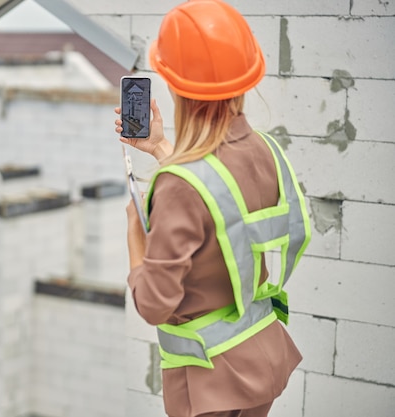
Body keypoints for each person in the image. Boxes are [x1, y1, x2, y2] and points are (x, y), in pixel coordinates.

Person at [114, 1, 311, 416]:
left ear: (173, 84)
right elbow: (217, 198)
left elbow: (153, 304)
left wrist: (136, 230)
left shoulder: (177, 187)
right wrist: (161, 148)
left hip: (209, 383)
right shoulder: (264, 149)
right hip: (261, 359)